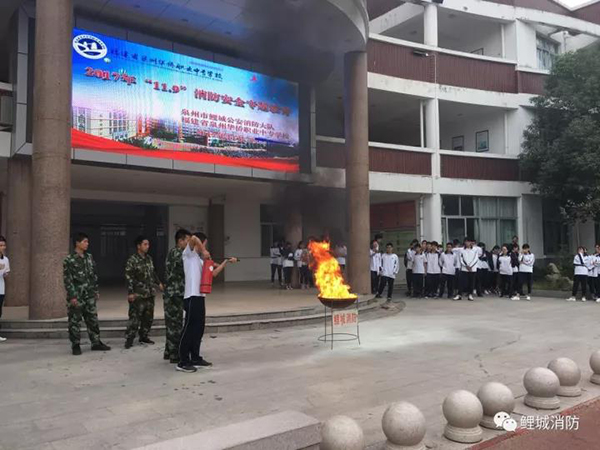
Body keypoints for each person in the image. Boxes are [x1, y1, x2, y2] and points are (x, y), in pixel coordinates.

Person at [178, 232, 236, 373]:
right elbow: (193, 238)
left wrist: (226, 262)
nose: (205, 247)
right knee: (189, 329)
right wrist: (203, 250)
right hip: (191, 297)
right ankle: (182, 361)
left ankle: (196, 357)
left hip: (200, 297)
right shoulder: (189, 254)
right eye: (205, 244)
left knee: (198, 329)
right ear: (201, 243)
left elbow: (213, 274)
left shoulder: (200, 260)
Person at [63, 233, 111, 355]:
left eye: (87, 242)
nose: (87, 244)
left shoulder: (89, 257)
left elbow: (93, 275)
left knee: (92, 319)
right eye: (84, 242)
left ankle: (96, 342)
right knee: (75, 321)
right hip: (77, 295)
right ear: (77, 243)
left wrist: (95, 290)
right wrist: (72, 296)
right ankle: (75, 344)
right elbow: (68, 279)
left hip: (89, 295)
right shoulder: (69, 260)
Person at [124, 236, 163, 349]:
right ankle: (129, 338)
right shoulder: (132, 260)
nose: (147, 246)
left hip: (149, 293)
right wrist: (131, 292)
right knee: (135, 318)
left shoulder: (149, 259)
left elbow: (152, 273)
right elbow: (129, 277)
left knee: (148, 317)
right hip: (138, 294)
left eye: (148, 244)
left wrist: (158, 283)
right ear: (139, 246)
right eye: (145, 244)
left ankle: (144, 336)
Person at [163, 229, 190, 364]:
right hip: (174, 294)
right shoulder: (177, 253)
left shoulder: (175, 252)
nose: (189, 244)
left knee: (171, 323)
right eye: (188, 241)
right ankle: (174, 355)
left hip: (174, 293)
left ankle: (169, 351)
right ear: (180, 241)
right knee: (175, 325)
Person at [0, 236, 9, 342]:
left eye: (3, 245)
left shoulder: (5, 260)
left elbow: (6, 273)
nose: (2, 247)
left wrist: (5, 273)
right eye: (0, 245)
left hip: (1, 288)